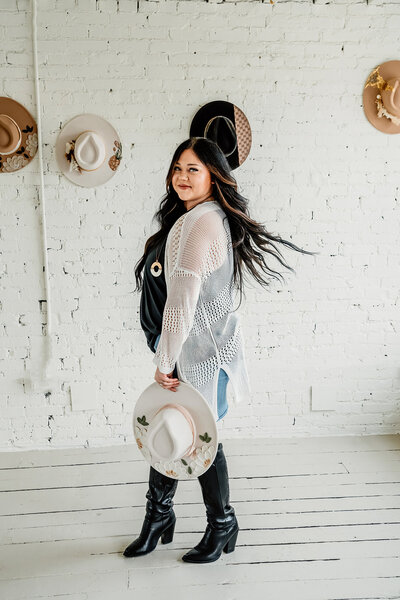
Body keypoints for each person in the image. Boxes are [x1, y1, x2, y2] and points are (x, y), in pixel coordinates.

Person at [123, 137, 317, 563]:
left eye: (193, 169)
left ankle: (221, 522)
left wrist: (164, 360)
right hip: (194, 350)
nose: (182, 177)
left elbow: (184, 300)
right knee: (169, 429)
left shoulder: (203, 223)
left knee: (200, 438)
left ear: (214, 175)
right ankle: (160, 517)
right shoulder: (195, 218)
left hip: (199, 355)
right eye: (177, 168)